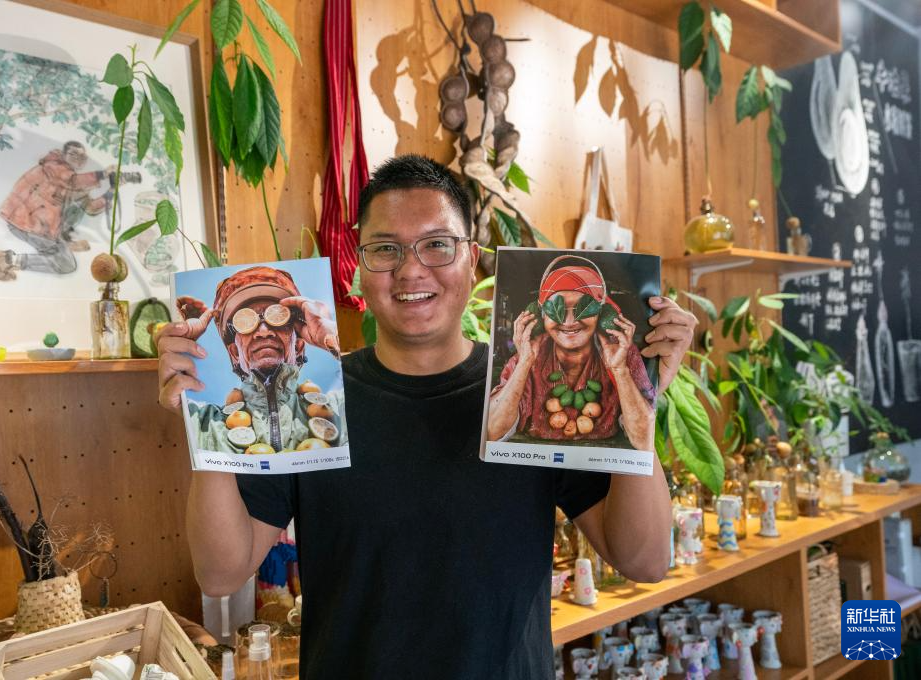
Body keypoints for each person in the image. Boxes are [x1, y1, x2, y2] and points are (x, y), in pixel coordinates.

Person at [156, 155, 696, 679]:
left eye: (437, 244)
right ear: (359, 267)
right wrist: (205, 403)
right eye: (385, 248)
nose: (411, 269)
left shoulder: (533, 388)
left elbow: (645, 560)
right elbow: (221, 574)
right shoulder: (315, 404)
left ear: (472, 258)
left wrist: (640, 393)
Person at [175, 265, 345, 453]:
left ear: (298, 347)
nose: (263, 331)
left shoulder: (340, 409)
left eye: (277, 318)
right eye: (246, 322)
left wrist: (329, 335)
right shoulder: (203, 425)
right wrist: (178, 344)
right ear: (235, 354)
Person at [486, 261, 655, 448]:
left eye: (582, 308)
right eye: (556, 308)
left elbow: (644, 440)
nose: (568, 322)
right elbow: (492, 431)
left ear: (600, 314)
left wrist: (619, 370)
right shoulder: (526, 356)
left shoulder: (622, 354)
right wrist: (524, 362)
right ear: (542, 316)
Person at [0, 141, 108, 280]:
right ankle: (7, 261)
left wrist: (111, 193)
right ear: (64, 154)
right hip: (26, 223)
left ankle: (4, 258)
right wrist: (103, 174)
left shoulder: (69, 181)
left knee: (66, 262)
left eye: (82, 156)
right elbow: (74, 181)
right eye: (73, 154)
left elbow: (90, 207)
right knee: (65, 263)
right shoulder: (54, 167)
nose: (78, 159)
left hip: (39, 228)